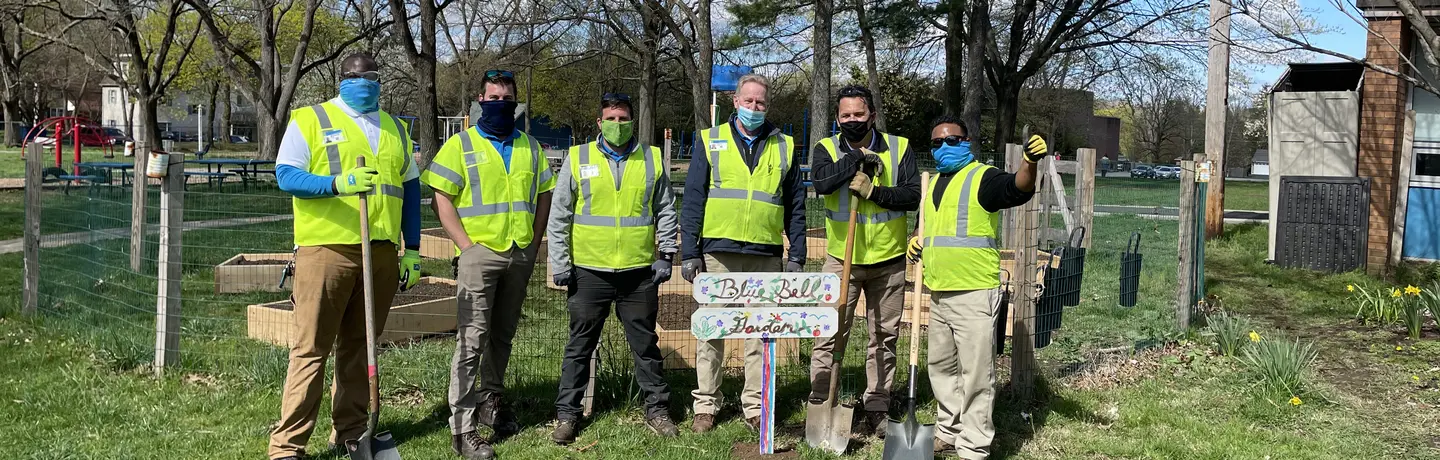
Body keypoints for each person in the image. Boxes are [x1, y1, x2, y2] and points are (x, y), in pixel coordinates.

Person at [267, 52, 424, 460]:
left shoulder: (395, 128)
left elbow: (409, 192)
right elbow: (286, 175)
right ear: (342, 80)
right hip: (327, 251)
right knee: (310, 348)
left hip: (381, 253)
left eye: (372, 77)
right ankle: (288, 446)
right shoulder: (310, 119)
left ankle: (352, 430)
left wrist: (414, 249)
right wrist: (337, 183)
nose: (365, 83)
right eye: (357, 77)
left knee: (361, 347)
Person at [421, 69, 555, 460]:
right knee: (471, 340)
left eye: (506, 98)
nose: (500, 104)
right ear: (480, 102)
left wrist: (533, 239)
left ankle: (491, 401)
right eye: (493, 98)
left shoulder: (530, 146)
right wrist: (465, 246)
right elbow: (440, 197)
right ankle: (462, 429)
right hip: (479, 255)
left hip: (519, 252)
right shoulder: (460, 145)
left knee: (502, 334)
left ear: (516, 103)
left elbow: (544, 192)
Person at [906, 115, 1046, 459]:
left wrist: (1029, 162)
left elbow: (1019, 188)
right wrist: (916, 241)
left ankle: (974, 445)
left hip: (974, 292)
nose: (943, 147)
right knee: (941, 369)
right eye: (936, 142)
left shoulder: (982, 177)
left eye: (951, 140)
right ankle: (948, 430)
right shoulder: (933, 183)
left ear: (966, 143)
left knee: (976, 374)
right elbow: (932, 229)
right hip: (937, 291)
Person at [545, 92, 679, 444]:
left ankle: (658, 410)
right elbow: (559, 215)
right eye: (611, 119)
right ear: (599, 122)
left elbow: (665, 208)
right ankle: (567, 415)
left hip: (638, 273)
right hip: (589, 271)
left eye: (623, 119)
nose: (617, 125)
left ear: (632, 121)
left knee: (646, 346)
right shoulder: (578, 157)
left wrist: (666, 253)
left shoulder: (651, 158)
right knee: (579, 346)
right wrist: (560, 263)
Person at [679, 73, 806, 433]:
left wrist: (796, 254)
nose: (754, 108)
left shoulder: (785, 145)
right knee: (711, 330)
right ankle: (706, 404)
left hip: (765, 254)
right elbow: (693, 198)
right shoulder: (711, 140)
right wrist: (690, 251)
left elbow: (796, 204)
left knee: (761, 334)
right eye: (748, 101)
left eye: (761, 103)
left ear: (768, 106)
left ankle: (756, 407)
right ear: (735, 102)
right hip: (718, 252)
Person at [804, 84, 920, 438]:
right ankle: (822, 399)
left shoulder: (900, 148)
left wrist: (875, 192)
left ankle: (877, 405)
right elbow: (822, 183)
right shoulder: (826, 148)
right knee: (828, 332)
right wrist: (855, 159)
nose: (852, 120)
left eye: (858, 114)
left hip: (889, 261)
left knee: (884, 336)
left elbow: (913, 195)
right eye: (845, 116)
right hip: (843, 261)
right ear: (838, 118)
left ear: (871, 114)